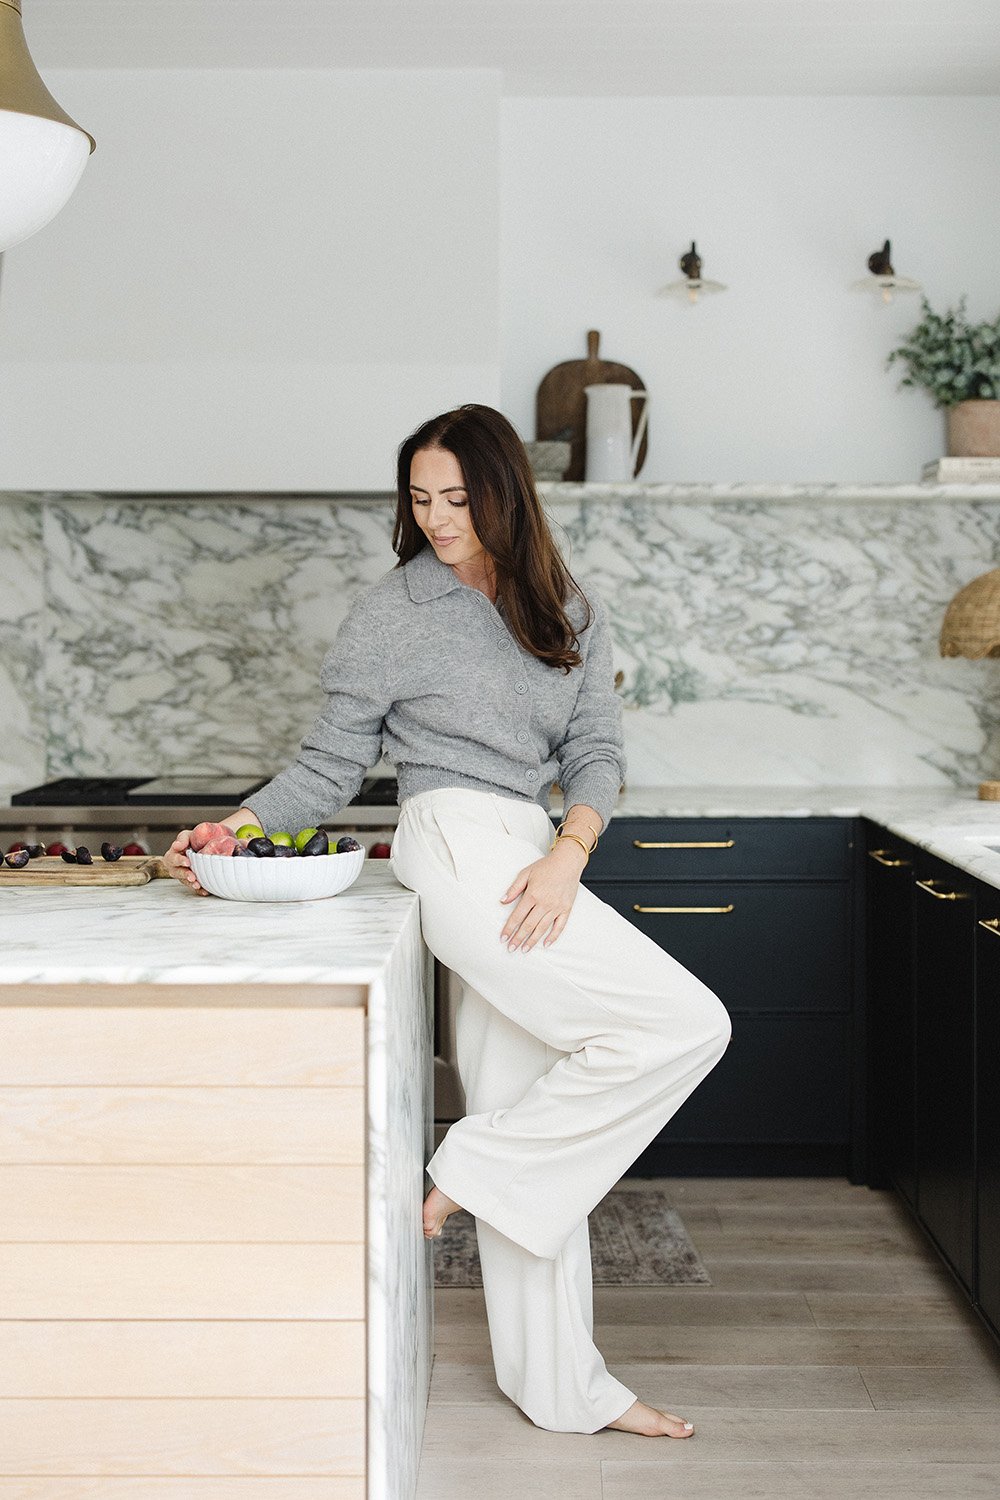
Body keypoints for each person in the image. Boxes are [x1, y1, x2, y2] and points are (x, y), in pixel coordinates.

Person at [164, 403, 732, 1438]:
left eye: (457, 498)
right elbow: (331, 763)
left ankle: (564, 1389)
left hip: (533, 854)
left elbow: (596, 752)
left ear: (502, 493)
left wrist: (569, 852)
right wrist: (235, 828)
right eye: (421, 499)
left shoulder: (566, 604)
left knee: (527, 1105)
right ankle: (470, 1173)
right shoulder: (394, 611)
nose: (436, 518)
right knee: (686, 1024)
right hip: (455, 845)